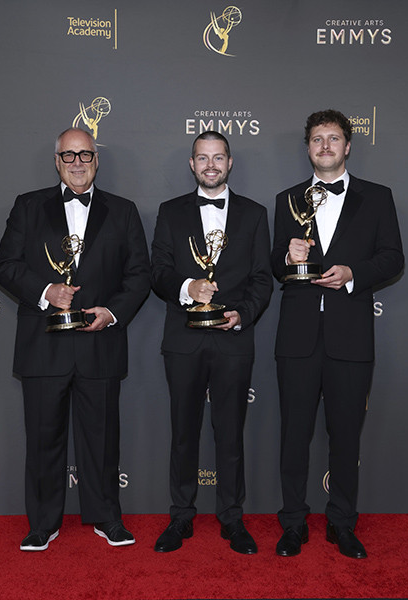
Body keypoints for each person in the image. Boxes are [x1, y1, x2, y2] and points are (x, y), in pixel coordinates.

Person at [0, 128, 150, 551]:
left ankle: (106, 519)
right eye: (69, 155)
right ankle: (42, 524)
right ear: (57, 161)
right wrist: (46, 292)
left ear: (97, 159)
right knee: (43, 440)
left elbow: (140, 275)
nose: (77, 162)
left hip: (100, 344)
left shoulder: (123, 211)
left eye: (85, 154)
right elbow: (5, 266)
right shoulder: (28, 207)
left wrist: (112, 312)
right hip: (44, 346)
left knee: (102, 441)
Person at [271, 109, 404, 559]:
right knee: (294, 435)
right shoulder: (286, 199)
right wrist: (288, 259)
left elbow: (392, 259)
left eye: (333, 138)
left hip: (351, 337)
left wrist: (352, 274)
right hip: (298, 338)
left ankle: (342, 524)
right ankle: (292, 523)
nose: (324, 146)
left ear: (348, 145)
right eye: (316, 139)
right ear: (307, 147)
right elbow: (274, 264)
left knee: (346, 437)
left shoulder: (377, 197)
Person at [151, 131, 272, 554]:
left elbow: (262, 278)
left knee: (231, 432)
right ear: (191, 164)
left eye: (218, 157)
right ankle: (181, 517)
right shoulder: (170, 212)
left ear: (230, 162)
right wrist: (189, 287)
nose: (210, 165)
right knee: (183, 432)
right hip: (183, 338)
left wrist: (244, 314)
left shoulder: (255, 214)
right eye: (202, 158)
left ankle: (232, 518)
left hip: (233, 340)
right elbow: (159, 271)